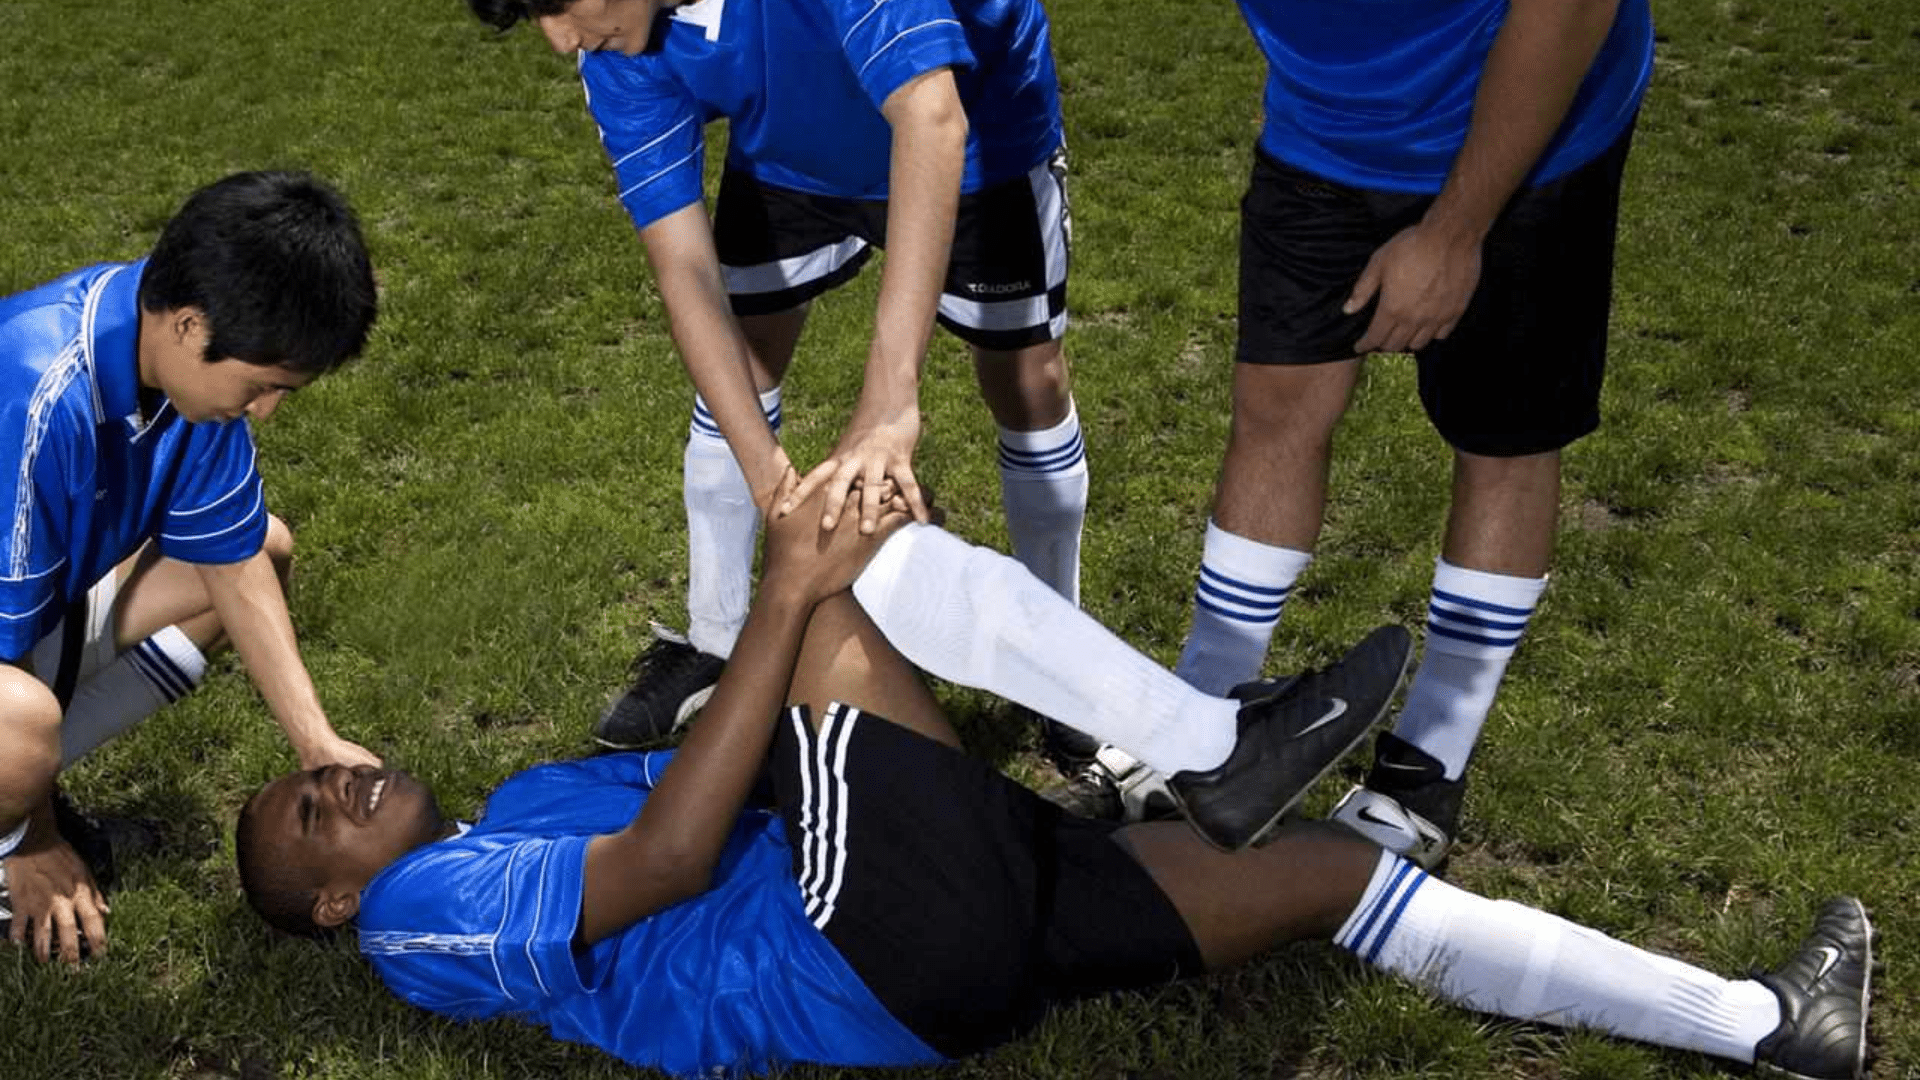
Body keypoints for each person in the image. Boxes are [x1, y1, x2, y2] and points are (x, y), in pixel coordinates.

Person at [235, 488, 1871, 1080]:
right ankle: (1205, 746)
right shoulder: (417, 922)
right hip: (844, 952)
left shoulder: (520, 797)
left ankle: (1760, 1024)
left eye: (315, 776)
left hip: (937, 917)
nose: (334, 783)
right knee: (850, 579)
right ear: (325, 906)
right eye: (311, 821)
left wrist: (793, 660)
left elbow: (735, 768)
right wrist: (798, 607)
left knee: (1322, 877)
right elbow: (666, 862)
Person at [1066, 0, 1657, 850]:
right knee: (1275, 406)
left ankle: (1429, 764)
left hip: (1534, 127)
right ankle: (1198, 718)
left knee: (1503, 441)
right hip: (1325, 133)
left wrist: (1455, 233)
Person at [462, 0, 1089, 751]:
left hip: (976, 132)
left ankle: (1060, 663)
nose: (561, 38)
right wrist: (770, 483)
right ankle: (717, 641)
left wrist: (890, 402)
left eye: (560, 3)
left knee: (1027, 385)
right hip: (791, 155)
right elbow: (686, 270)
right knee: (744, 358)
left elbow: (932, 117)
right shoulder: (614, 50)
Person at [0, 171, 384, 965]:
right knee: (21, 726)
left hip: (35, 622)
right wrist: (32, 845)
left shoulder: (181, 369)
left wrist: (316, 741)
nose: (266, 410)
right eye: (262, 386)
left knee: (265, 553)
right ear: (187, 325)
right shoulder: (31, 394)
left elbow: (236, 564)